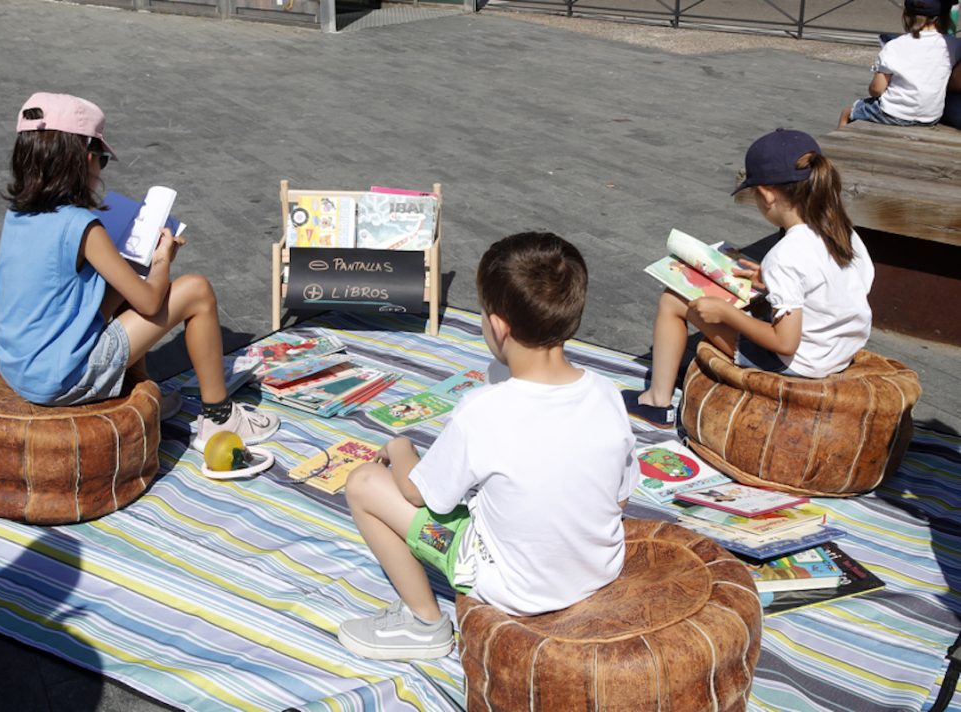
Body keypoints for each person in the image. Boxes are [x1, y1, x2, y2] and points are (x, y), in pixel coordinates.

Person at [337, 232, 638, 661]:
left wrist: (401, 447)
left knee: (365, 482)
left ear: (497, 325)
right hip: (597, 571)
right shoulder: (607, 393)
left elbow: (420, 495)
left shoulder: (481, 410)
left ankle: (424, 623)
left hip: (516, 589)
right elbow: (621, 497)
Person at [0, 92, 278, 450]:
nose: (101, 170)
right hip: (61, 376)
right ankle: (220, 417)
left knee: (123, 283)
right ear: (84, 159)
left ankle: (141, 400)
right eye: (103, 160)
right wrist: (162, 259)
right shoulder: (82, 224)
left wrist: (136, 265)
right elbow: (149, 301)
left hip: (20, 364)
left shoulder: (18, 213)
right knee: (196, 291)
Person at [624, 129, 874, 428]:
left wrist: (726, 312)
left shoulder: (786, 255)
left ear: (767, 194)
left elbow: (785, 343)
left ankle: (656, 400)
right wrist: (768, 283)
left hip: (799, 363)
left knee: (673, 300)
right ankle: (671, 372)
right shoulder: (843, 230)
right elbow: (835, 288)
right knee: (747, 302)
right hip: (837, 349)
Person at [839, 0, 955, 129]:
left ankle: (837, 145)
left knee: (847, 112)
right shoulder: (954, 46)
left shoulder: (894, 46)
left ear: (906, 16)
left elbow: (877, 90)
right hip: (931, 116)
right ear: (944, 17)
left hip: (892, 113)